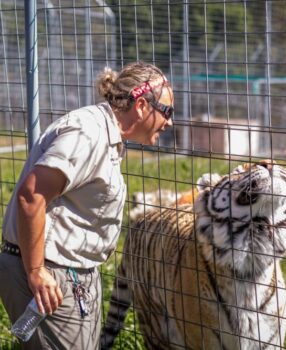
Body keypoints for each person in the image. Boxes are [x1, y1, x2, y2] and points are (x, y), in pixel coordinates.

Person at [0, 61, 174, 349]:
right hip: (49, 278)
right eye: (166, 111)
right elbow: (31, 195)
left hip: (65, 277)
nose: (170, 121)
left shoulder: (106, 136)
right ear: (141, 106)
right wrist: (36, 272)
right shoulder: (88, 133)